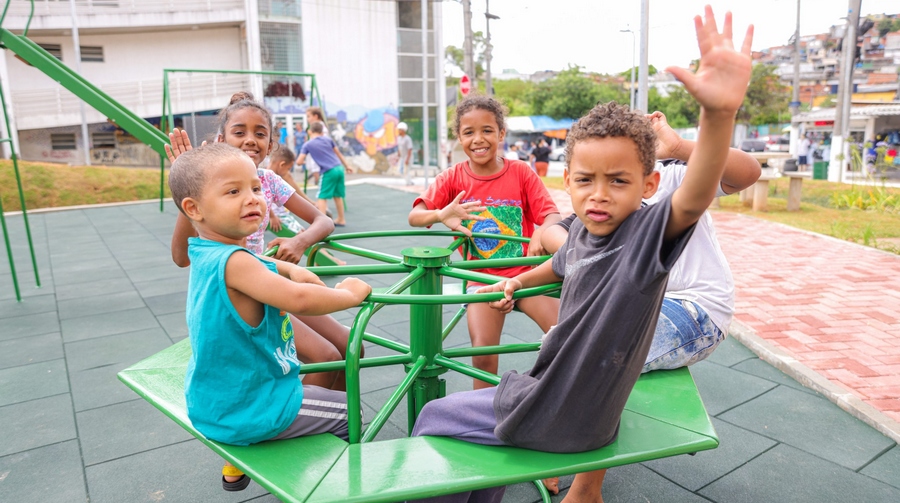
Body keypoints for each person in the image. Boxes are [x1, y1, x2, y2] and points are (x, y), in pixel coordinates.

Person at [409, 8, 752, 503]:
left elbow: (695, 196)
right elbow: (560, 263)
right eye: (586, 180)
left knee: (432, 419)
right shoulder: (586, 237)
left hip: (557, 413)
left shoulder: (645, 237)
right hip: (560, 403)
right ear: (566, 181)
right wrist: (516, 282)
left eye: (618, 182)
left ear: (649, 186)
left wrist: (718, 116)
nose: (599, 195)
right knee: (469, 414)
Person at [539, 109, 760, 498]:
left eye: (619, 175)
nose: (603, 186)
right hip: (641, 307)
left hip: (693, 307)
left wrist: (679, 146)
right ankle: (554, 442)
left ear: (647, 176)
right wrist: (588, 251)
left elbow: (747, 172)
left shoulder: (677, 178)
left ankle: (586, 486)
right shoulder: (600, 205)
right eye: (589, 176)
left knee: (604, 358)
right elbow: (553, 234)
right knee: (561, 346)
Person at [167, 142, 371, 492]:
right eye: (234, 191)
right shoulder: (237, 262)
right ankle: (310, 484)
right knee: (352, 412)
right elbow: (300, 300)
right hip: (250, 409)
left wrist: (284, 267)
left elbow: (253, 265)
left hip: (217, 401)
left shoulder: (205, 250)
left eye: (256, 188)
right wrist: (347, 295)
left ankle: (293, 451)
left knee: (324, 374)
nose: (253, 198)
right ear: (193, 209)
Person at [167, 91, 356, 391]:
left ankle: (341, 422)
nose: (250, 140)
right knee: (326, 355)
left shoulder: (269, 181)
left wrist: (299, 242)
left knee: (348, 343)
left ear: (271, 144)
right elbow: (181, 258)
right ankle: (302, 423)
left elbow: (324, 220)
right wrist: (189, 184)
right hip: (243, 294)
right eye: (238, 132)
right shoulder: (209, 189)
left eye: (260, 133)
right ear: (220, 142)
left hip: (267, 280)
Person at [408, 94, 562, 390]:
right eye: (469, 132)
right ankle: (482, 414)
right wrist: (442, 213)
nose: (478, 139)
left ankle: (558, 396)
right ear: (459, 137)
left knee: (565, 333)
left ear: (501, 133)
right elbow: (415, 216)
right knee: (483, 355)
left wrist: (542, 230)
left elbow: (552, 215)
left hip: (524, 276)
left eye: (487, 130)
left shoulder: (520, 173)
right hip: (481, 280)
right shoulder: (453, 177)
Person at [268, 148, 347, 266]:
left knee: (307, 234)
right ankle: (327, 260)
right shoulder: (265, 177)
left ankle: (324, 259)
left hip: (284, 215)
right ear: (282, 164)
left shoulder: (279, 176)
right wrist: (272, 217)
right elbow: (262, 199)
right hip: (278, 217)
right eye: (288, 168)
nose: (288, 171)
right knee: (301, 234)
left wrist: (312, 204)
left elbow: (295, 192)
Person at [297, 121, 351, 227]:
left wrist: (304, 162)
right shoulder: (328, 139)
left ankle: (322, 225)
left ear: (309, 131)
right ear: (322, 132)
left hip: (328, 171)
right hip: (339, 168)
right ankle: (341, 219)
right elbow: (338, 153)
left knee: (322, 196)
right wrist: (347, 166)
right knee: (337, 195)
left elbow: (299, 161)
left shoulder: (307, 144)